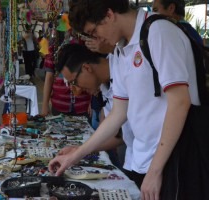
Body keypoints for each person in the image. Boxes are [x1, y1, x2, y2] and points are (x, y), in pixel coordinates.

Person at [48, 1, 200, 200]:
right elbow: (118, 114)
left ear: (109, 15)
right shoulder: (120, 50)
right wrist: (77, 154)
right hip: (142, 160)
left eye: (93, 31)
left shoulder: (158, 32)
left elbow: (180, 102)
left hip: (174, 160)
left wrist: (155, 171)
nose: (96, 39)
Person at [55, 43, 133, 170]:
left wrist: (79, 152)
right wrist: (79, 150)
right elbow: (119, 134)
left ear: (86, 68)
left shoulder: (125, 70)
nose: (76, 89)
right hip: (135, 161)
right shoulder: (105, 86)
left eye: (73, 82)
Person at [41, 31, 91, 117]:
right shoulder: (53, 50)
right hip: (59, 104)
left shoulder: (86, 48)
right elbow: (49, 78)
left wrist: (92, 102)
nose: (69, 31)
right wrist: (45, 104)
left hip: (83, 104)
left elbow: (93, 76)